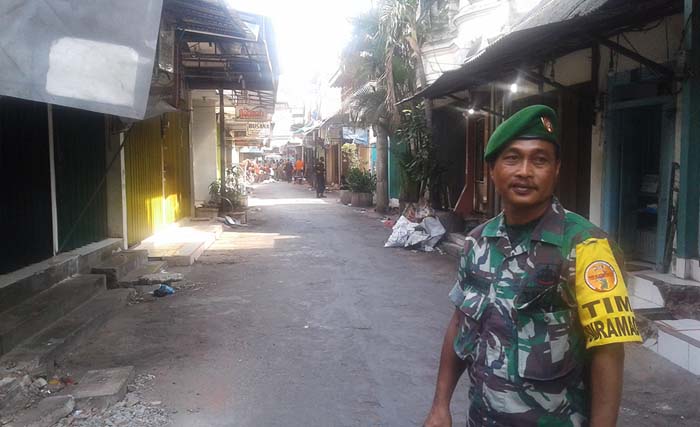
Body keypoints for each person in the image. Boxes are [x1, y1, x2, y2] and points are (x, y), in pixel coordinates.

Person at [424, 105, 641, 427]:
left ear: (556, 170)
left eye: (539, 160)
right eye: (512, 158)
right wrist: (440, 405)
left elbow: (608, 350)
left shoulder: (587, 246)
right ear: (493, 169)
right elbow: (460, 323)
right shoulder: (476, 242)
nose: (525, 171)